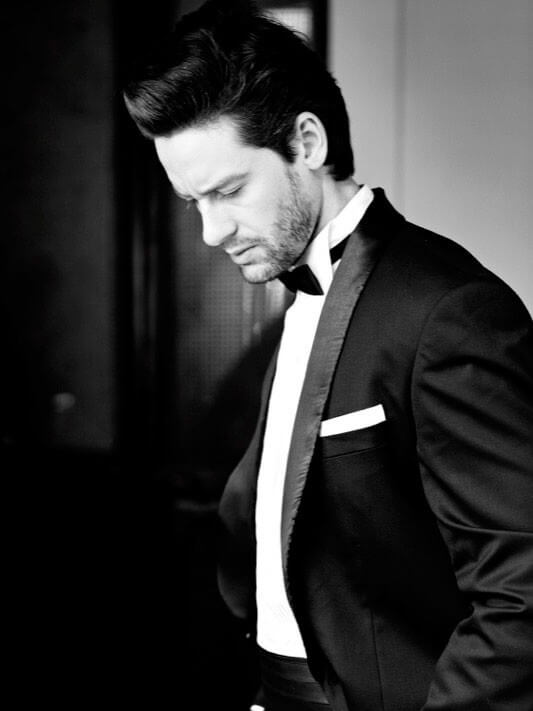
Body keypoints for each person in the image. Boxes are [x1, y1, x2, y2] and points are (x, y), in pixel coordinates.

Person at [122, 1, 533, 709]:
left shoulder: (448, 311)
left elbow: (520, 589)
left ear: (306, 142)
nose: (211, 232)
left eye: (228, 191)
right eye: (193, 203)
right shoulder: (296, 303)